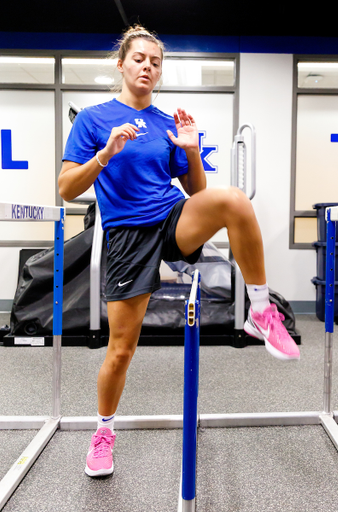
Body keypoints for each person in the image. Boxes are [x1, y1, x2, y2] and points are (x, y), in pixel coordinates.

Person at [58, 25, 300, 477]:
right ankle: (103, 431)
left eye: (155, 61)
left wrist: (189, 151)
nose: (147, 66)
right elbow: (67, 188)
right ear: (121, 63)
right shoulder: (93, 119)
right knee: (121, 349)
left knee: (232, 200)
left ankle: (261, 310)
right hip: (128, 235)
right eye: (139, 59)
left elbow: (196, 190)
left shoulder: (167, 121)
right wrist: (106, 153)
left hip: (171, 218)